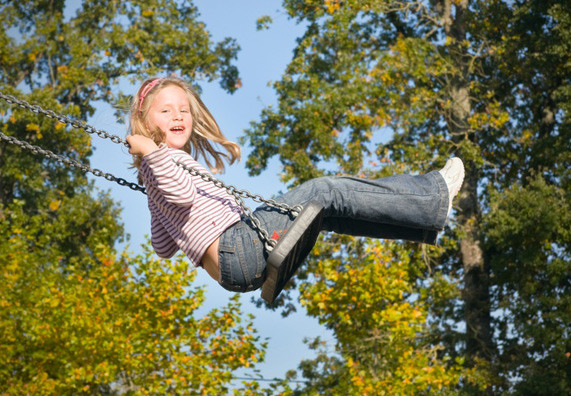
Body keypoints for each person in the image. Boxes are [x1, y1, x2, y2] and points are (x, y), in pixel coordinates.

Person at [126, 77, 464, 293]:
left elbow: (164, 247)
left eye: (184, 109)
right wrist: (150, 153)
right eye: (166, 110)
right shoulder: (161, 163)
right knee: (326, 191)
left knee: (323, 213)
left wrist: (157, 204)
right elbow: (183, 195)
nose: (178, 116)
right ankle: (432, 198)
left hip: (233, 272)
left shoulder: (158, 173)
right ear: (143, 121)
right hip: (238, 247)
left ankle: (420, 223)